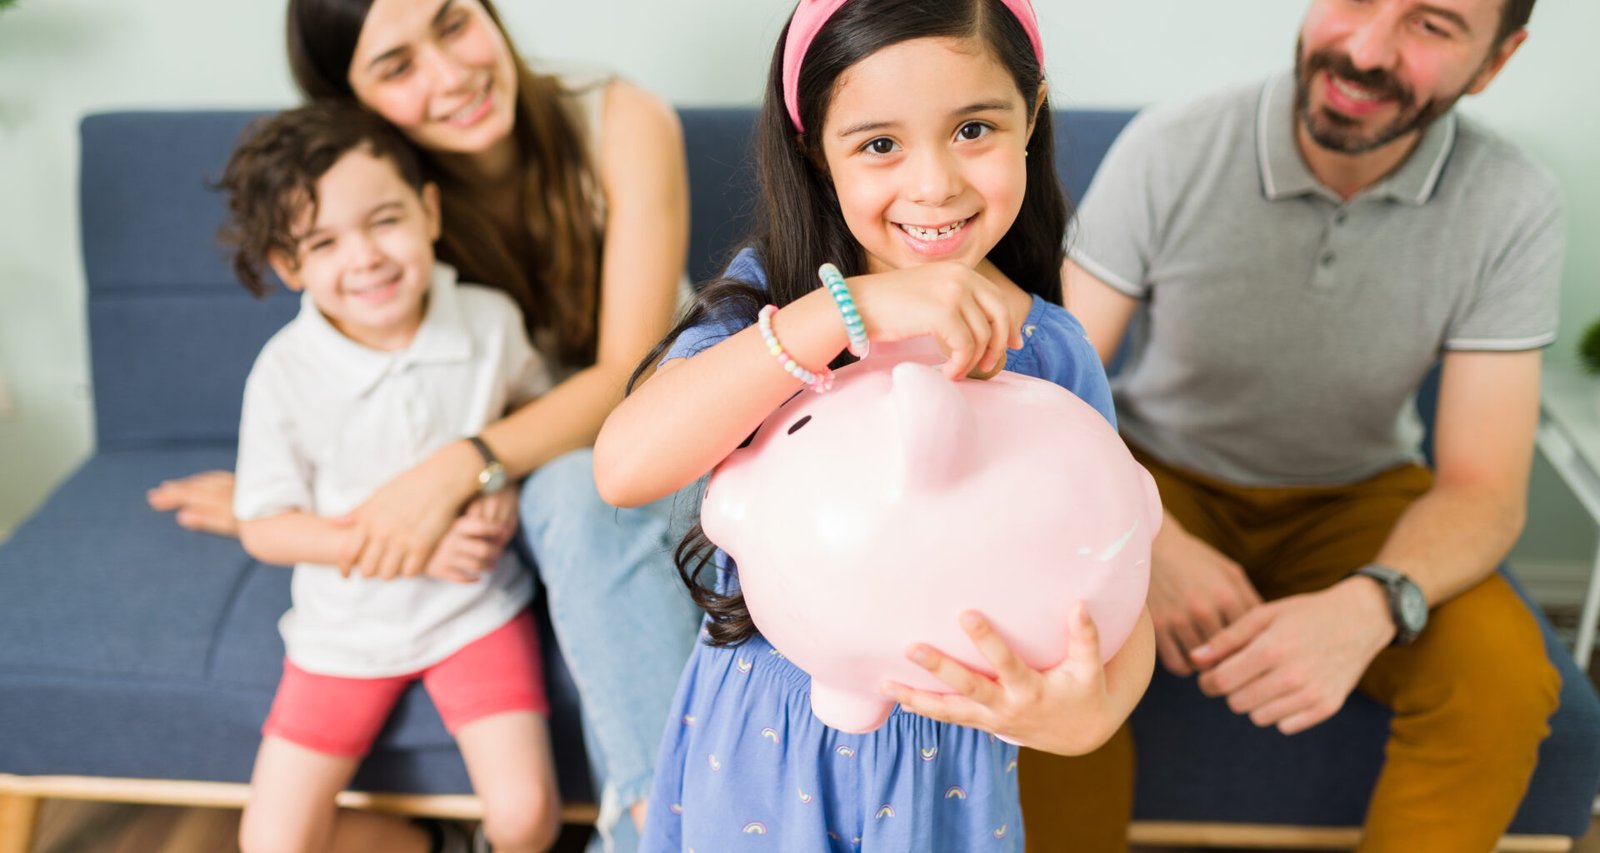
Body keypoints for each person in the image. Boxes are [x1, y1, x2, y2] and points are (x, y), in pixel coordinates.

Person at [593, 1, 1155, 849]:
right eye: (880, 144)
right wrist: (846, 310)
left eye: (973, 129)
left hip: (948, 766)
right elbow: (623, 467)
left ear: (1032, 115)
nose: (934, 184)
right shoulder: (776, 297)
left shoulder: (1046, 349)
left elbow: (1115, 570)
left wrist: (1094, 711)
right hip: (755, 754)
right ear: (815, 150)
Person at [146, 0, 702, 845]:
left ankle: (661, 825)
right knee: (566, 493)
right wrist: (308, 512)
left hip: (651, 443)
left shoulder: (621, 122)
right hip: (526, 487)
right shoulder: (376, 203)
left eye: (452, 23)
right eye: (397, 65)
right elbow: (358, 395)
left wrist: (459, 468)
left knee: (581, 492)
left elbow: (630, 379)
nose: (450, 76)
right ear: (354, 104)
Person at [1021, 0, 1566, 850]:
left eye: (1431, 24)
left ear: (1495, 61)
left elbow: (1484, 489)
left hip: (1361, 498)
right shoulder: (1174, 146)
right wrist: (1149, 534)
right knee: (1043, 625)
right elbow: (1048, 400)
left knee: (1501, 676)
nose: (1367, 49)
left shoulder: (1515, 203)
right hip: (1157, 476)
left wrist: (1373, 602)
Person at [224, 103, 559, 853]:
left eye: (385, 221)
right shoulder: (285, 372)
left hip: (475, 612)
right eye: (324, 242)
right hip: (342, 634)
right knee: (272, 844)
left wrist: (499, 481)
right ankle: (434, 842)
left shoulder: (488, 321)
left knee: (526, 819)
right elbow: (265, 527)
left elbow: (535, 413)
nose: (366, 257)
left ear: (428, 211)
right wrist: (411, 546)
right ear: (289, 265)